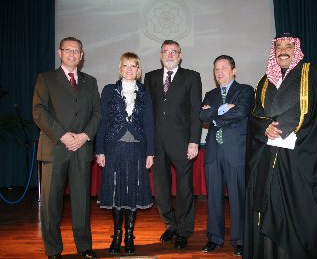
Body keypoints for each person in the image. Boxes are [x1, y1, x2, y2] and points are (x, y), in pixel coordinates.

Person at [243, 33, 317, 259]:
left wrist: (285, 128)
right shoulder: (264, 80)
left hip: (298, 158)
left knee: (299, 216)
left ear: (296, 49)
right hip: (267, 157)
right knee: (267, 207)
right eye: (279, 46)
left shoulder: (313, 74)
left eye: (288, 45)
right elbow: (254, 113)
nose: (283, 50)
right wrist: (265, 126)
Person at [32, 37, 100, 259]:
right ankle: (53, 250)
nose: (72, 54)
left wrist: (84, 135)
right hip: (55, 148)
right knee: (51, 203)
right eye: (68, 50)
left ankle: (84, 247)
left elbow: (97, 113)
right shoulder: (46, 78)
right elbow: (39, 111)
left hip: (81, 148)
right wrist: (62, 135)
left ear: (82, 56)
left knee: (81, 202)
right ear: (60, 53)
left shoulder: (90, 81)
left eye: (76, 51)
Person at [144, 40, 202, 249]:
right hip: (157, 144)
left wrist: (194, 141)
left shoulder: (192, 77)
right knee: (161, 188)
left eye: (174, 52)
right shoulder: (150, 77)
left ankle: (184, 230)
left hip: (182, 143)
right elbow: (147, 113)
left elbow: (196, 112)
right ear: (160, 55)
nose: (170, 55)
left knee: (185, 188)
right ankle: (170, 225)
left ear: (180, 55)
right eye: (166, 52)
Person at [95, 52, 155, 255]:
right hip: (114, 148)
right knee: (115, 191)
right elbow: (102, 122)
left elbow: (149, 124)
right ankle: (117, 235)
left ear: (139, 70)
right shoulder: (109, 90)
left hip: (137, 148)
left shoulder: (145, 93)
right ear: (120, 68)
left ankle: (129, 235)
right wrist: (100, 150)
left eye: (134, 66)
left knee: (132, 192)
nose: (129, 69)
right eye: (125, 65)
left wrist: (150, 152)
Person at [199, 55, 254, 257]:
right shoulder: (210, 94)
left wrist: (214, 115)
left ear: (234, 70)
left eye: (223, 67)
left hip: (236, 152)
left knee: (238, 198)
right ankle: (214, 238)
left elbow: (240, 112)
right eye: (216, 69)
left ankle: (240, 241)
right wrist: (223, 109)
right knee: (213, 198)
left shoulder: (245, 90)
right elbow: (201, 115)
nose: (219, 72)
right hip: (213, 153)